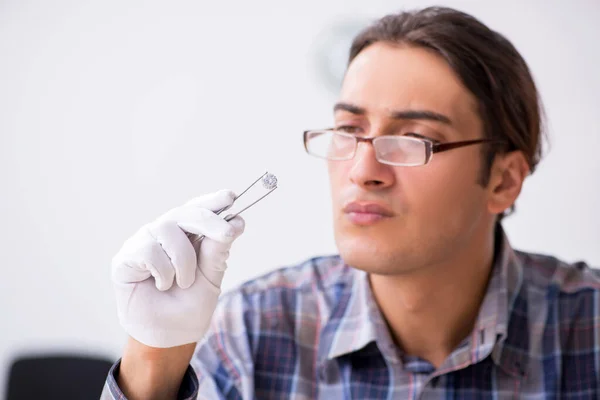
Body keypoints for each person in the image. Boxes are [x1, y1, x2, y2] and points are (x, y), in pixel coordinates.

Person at [101, 6, 600, 399]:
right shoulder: (256, 331)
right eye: (348, 130)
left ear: (504, 180)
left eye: (413, 138)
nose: (362, 171)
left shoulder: (589, 331)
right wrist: (153, 360)